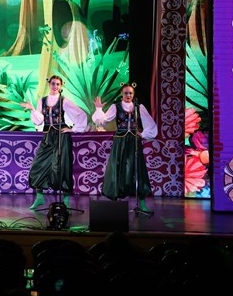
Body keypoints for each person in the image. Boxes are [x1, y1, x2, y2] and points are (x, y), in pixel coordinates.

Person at [20, 75, 87, 210]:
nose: (55, 86)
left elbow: (80, 114)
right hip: (48, 137)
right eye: (53, 84)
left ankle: (66, 201)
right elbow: (39, 120)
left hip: (62, 137)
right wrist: (32, 109)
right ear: (49, 84)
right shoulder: (42, 100)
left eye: (57, 84)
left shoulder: (63, 100)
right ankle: (40, 198)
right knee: (38, 165)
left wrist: (72, 129)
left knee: (62, 167)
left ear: (61, 86)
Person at [93, 82, 158, 212]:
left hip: (133, 141)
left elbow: (150, 125)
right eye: (126, 93)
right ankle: (116, 203)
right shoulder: (116, 107)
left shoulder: (139, 107)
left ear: (133, 94)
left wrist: (142, 134)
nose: (128, 95)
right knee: (118, 167)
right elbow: (102, 122)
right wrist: (99, 109)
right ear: (122, 94)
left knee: (137, 169)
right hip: (120, 141)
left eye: (130, 93)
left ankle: (141, 203)